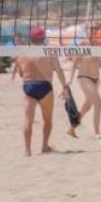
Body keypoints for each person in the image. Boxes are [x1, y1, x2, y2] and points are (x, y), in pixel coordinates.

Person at [11, 28, 69, 156]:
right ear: (43, 38)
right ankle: (44, 146)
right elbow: (59, 70)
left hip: (29, 87)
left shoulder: (21, 52)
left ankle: (27, 150)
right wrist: (65, 87)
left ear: (30, 38)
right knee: (47, 119)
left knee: (28, 119)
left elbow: (21, 73)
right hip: (45, 87)